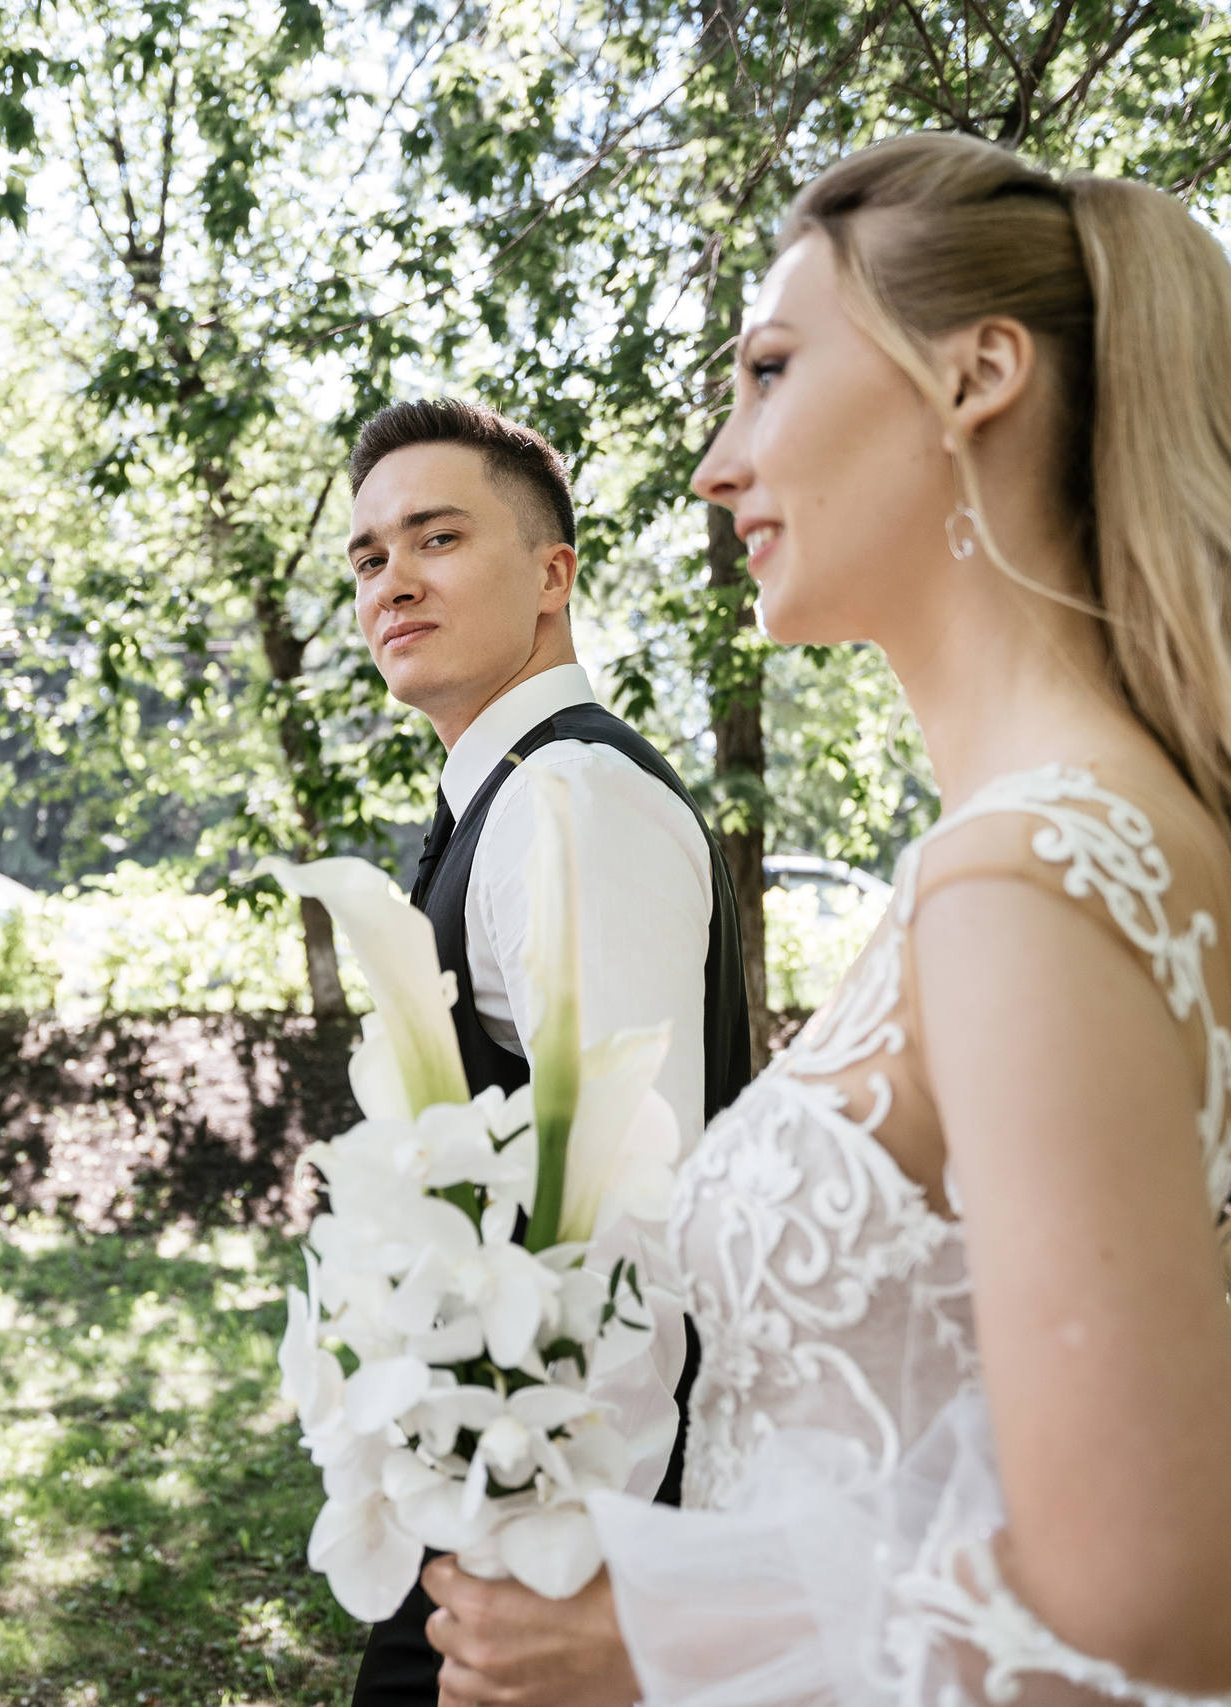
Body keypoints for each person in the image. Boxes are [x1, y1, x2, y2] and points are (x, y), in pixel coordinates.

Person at [412, 134, 1231, 1707]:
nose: (716, 463)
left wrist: (654, 1642)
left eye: (773, 371)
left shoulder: (1027, 870)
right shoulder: (1039, 841)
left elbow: (1160, 1621)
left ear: (975, 380)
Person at [341, 398, 760, 1707]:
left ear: (551, 573)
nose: (390, 580)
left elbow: (635, 1210)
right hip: (482, 1490)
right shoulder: (511, 796)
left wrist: (569, 1581)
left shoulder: (569, 800)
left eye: (437, 537)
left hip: (543, 1535)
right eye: (365, 558)